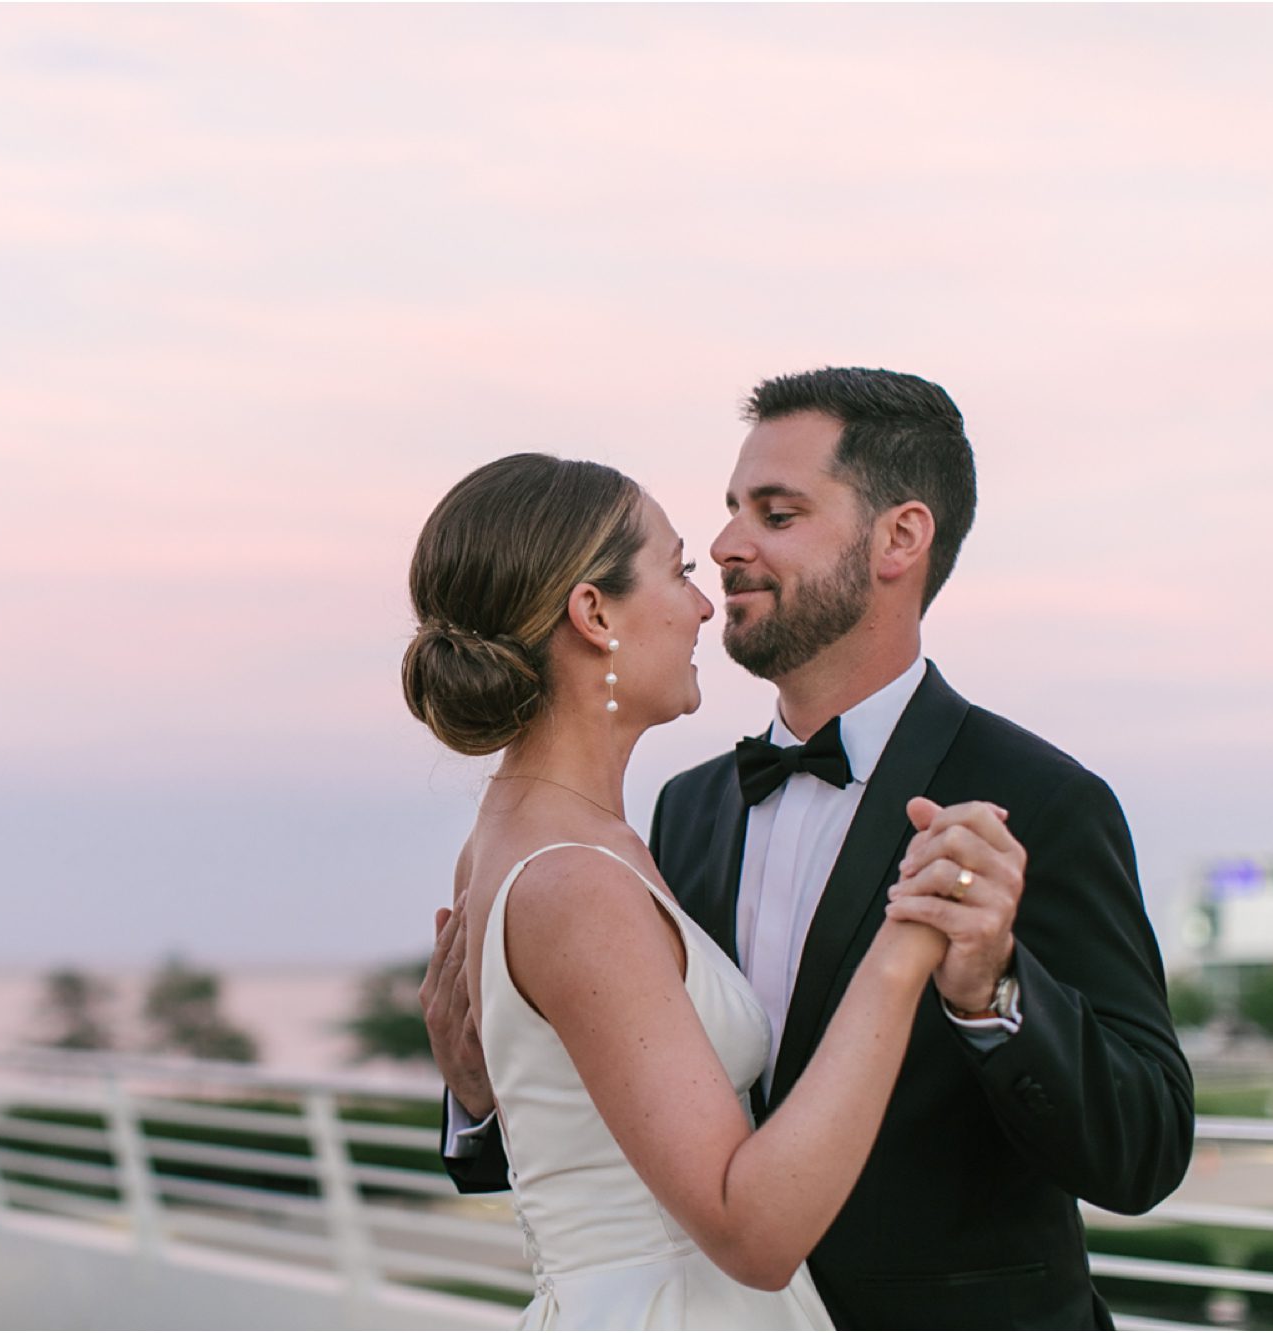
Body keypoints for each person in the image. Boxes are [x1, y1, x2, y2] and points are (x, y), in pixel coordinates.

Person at [423, 368, 1195, 1329]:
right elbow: (646, 1123)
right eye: (730, 511)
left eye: (776, 513)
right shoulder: (687, 811)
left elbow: (1146, 1150)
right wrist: (485, 1092)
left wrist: (995, 994)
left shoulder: (1039, 800)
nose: (726, 547)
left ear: (899, 538)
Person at [402, 451, 962, 1329]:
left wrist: (481, 1098)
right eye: (679, 570)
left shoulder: (525, 836)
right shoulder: (576, 880)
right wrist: (909, 943)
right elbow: (751, 1232)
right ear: (594, 613)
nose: (706, 605)